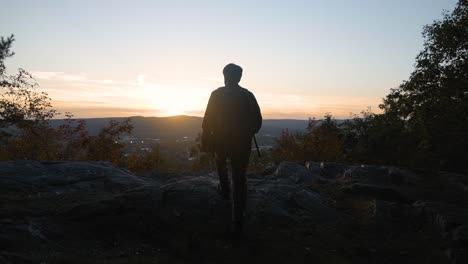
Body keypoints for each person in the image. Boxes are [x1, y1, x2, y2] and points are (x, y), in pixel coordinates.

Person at [202, 63, 262, 236]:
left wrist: (207, 138)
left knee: (220, 162)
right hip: (241, 143)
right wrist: (248, 131)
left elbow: (208, 121)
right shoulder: (247, 95)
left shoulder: (216, 95)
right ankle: (238, 216)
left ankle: (225, 191)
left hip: (221, 141)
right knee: (239, 176)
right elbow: (257, 121)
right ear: (240, 77)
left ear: (224, 75)